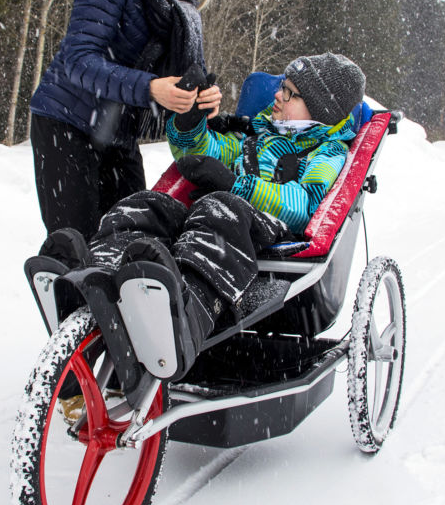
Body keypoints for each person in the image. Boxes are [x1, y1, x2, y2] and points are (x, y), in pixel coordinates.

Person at [43, 52, 366, 377]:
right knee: (148, 205)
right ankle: (92, 282)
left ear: (321, 110)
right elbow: (206, 151)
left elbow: (304, 205)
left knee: (219, 209)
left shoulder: (326, 151)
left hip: (266, 231)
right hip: (212, 217)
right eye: (282, 86)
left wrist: (237, 186)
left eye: (290, 93)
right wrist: (189, 123)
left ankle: (186, 319)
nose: (277, 95)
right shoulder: (259, 136)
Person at [29, 0, 245, 240]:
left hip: (118, 132)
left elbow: (181, 81)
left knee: (133, 238)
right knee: (76, 243)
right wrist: (149, 88)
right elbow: (78, 61)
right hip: (66, 122)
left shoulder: (184, 11)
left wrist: (202, 99)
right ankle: (66, 299)